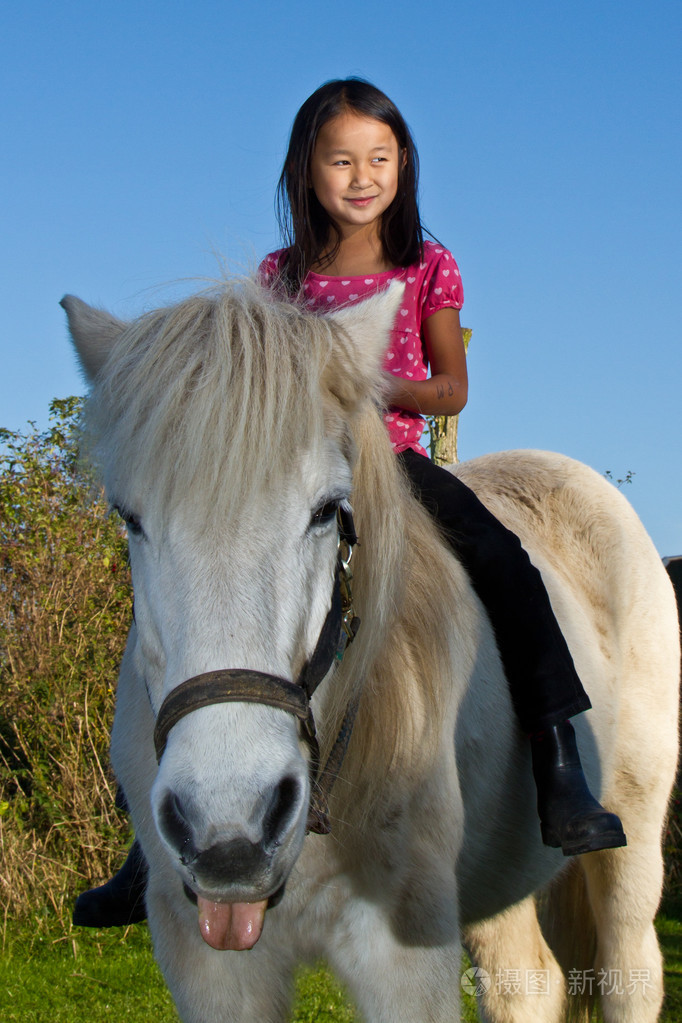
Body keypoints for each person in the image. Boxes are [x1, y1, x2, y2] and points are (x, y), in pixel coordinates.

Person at [74, 77, 624, 930]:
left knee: (505, 561)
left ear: (404, 163)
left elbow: (451, 390)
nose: (362, 176)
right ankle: (146, 838)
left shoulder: (427, 266)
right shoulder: (279, 275)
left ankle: (560, 767)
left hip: (393, 462)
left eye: (380, 157)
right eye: (341, 160)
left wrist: (367, 383)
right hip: (299, 469)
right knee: (185, 585)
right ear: (307, 170)